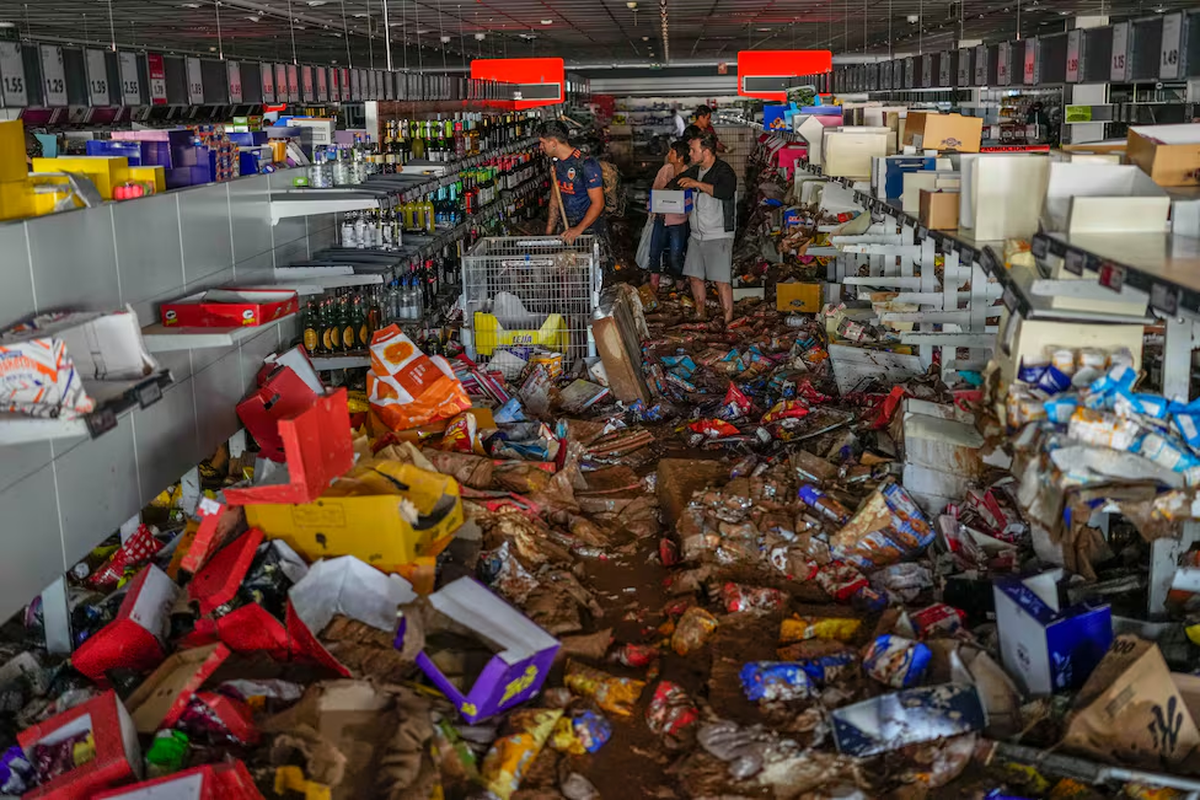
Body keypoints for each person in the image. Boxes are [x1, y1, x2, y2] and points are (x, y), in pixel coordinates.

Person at [677, 131, 737, 323]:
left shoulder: (724, 171)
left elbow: (725, 192)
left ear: (707, 151)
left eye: (693, 151)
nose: (691, 155)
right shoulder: (695, 170)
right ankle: (700, 313)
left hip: (718, 234)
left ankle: (728, 320)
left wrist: (697, 184)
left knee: (721, 281)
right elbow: (675, 184)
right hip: (696, 235)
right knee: (694, 277)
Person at [540, 120, 605, 245]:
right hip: (566, 228)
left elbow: (598, 203)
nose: (540, 147)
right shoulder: (556, 164)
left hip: (589, 231)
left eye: (543, 143)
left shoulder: (586, 164)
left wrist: (578, 230)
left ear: (553, 143)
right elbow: (554, 201)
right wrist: (548, 234)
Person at [646, 139, 690, 291]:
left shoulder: (688, 173)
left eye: (672, 152)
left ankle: (680, 282)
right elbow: (655, 191)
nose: (669, 154)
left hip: (678, 222)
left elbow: (689, 202)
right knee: (654, 253)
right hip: (660, 218)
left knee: (675, 256)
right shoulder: (665, 170)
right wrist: (652, 207)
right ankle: (654, 287)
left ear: (680, 157)